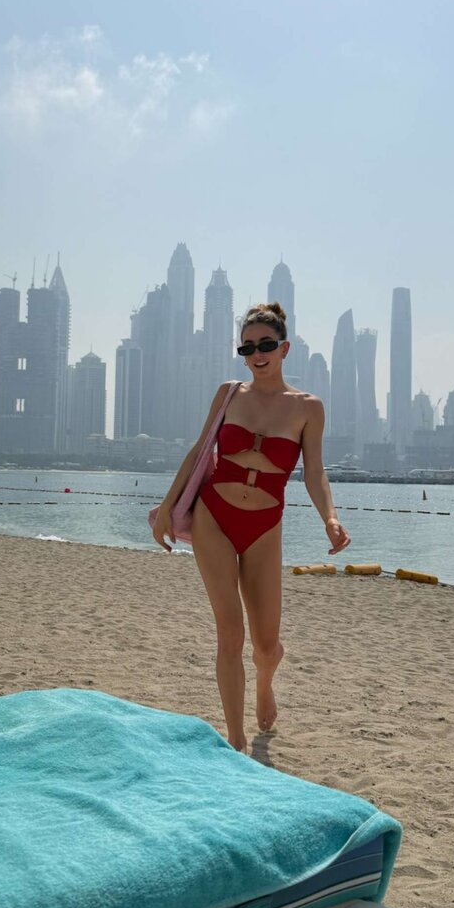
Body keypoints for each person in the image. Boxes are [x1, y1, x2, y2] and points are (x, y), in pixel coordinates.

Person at [152, 302, 350, 754]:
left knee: (266, 645)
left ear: (284, 348)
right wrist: (166, 507)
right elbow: (198, 450)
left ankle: (265, 682)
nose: (256, 354)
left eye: (265, 345)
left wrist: (330, 517)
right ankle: (236, 741)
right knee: (230, 632)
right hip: (214, 517)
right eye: (247, 347)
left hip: (264, 527)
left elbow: (314, 472)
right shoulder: (229, 394)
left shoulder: (308, 408)